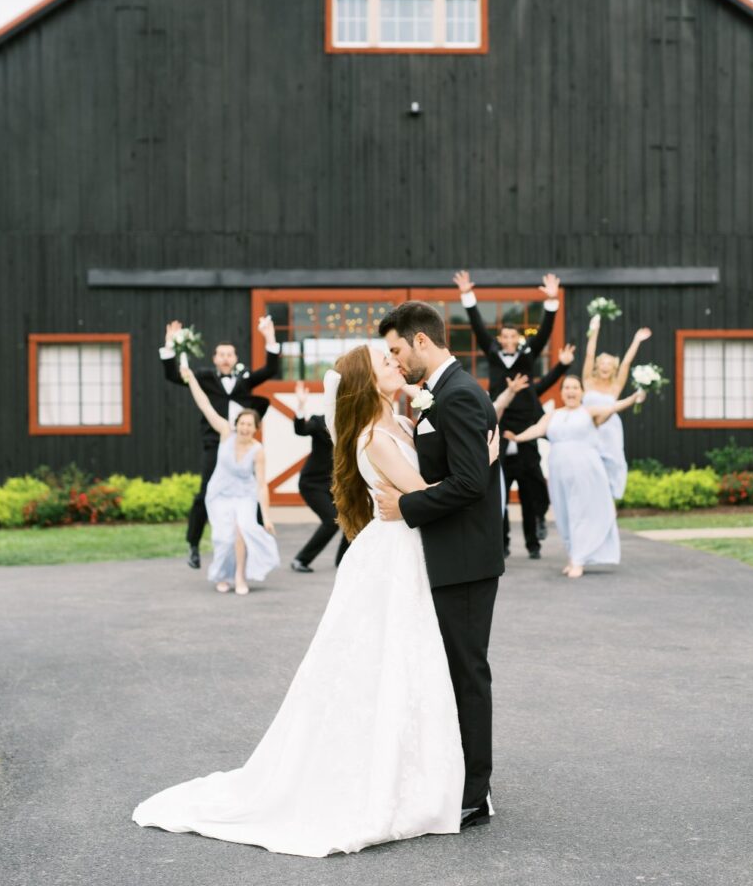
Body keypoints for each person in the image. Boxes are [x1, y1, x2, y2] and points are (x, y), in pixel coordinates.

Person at [133, 344, 500, 855]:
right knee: (394, 663)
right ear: (370, 384)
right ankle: (394, 775)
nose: (396, 363)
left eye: (394, 357)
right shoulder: (376, 437)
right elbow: (425, 493)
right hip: (395, 556)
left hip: (402, 550)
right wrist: (480, 463)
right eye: (385, 363)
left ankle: (423, 767)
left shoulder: (397, 420)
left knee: (405, 664)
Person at [377, 300, 505, 831]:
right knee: (450, 673)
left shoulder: (458, 395)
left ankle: (476, 793)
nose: (396, 360)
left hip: (466, 561)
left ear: (421, 341)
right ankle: (458, 778)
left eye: (397, 349)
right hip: (447, 556)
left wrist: (406, 507)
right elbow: (466, 468)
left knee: (468, 674)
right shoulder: (438, 397)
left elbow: (471, 484)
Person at [453, 269, 562, 559]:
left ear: (518, 339)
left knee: (532, 490)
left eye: (513, 335)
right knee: (498, 492)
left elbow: (544, 333)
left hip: (525, 426)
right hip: (499, 426)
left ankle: (534, 543)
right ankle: (501, 544)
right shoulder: (493, 354)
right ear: (500, 338)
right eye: (505, 335)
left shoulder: (527, 357)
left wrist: (552, 302)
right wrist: (467, 296)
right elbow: (477, 326)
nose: (509, 339)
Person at [159, 317, 280, 569]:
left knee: (251, 491)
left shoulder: (244, 380)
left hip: (242, 447)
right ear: (215, 358)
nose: (225, 358)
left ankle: (256, 540)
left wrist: (270, 339)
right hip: (214, 445)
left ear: (235, 358)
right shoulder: (204, 377)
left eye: (229, 354)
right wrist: (170, 346)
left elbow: (269, 370)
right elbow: (174, 376)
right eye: (221, 354)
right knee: (205, 492)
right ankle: (193, 545)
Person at [506, 374, 646, 578]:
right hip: (559, 473)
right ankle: (573, 556)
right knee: (564, 514)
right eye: (567, 388)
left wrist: (633, 398)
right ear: (562, 392)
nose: (571, 392)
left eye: (575, 388)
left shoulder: (589, 411)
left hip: (586, 471)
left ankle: (579, 560)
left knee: (581, 512)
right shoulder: (552, 415)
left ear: (581, 392)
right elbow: (537, 429)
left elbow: (614, 407)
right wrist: (517, 437)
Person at [179, 367, 279, 595]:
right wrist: (192, 379)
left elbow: (261, 484)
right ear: (237, 424)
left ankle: (240, 576)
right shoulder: (225, 432)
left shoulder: (257, 450)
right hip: (220, 494)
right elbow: (205, 404)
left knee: (243, 531)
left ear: (255, 428)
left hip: (245, 495)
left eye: (249, 425)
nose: (244, 428)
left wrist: (266, 516)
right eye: (242, 423)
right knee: (223, 537)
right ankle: (221, 575)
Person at [583, 317, 652, 499]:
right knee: (588, 465)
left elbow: (626, 363)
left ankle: (610, 500)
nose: (605, 366)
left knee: (611, 464)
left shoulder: (615, 387)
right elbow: (590, 354)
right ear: (597, 366)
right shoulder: (588, 382)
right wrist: (594, 330)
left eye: (609, 364)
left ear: (613, 368)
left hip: (609, 431)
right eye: (602, 363)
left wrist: (636, 340)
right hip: (588, 427)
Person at [289, 381, 350, 572]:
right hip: (312, 483)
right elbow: (301, 430)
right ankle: (301, 560)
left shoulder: (351, 426)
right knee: (332, 520)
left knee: (351, 517)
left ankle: (344, 560)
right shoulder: (318, 421)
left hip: (335, 485)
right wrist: (300, 406)